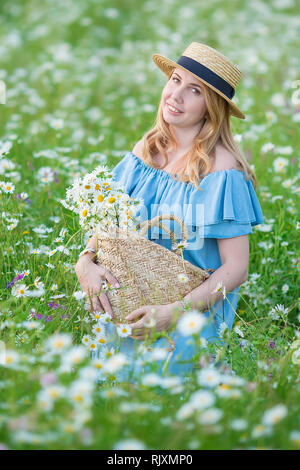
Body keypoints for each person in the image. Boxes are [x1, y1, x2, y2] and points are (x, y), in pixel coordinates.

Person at [75, 42, 264, 381]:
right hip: (129, 303)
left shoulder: (222, 169)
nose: (176, 96)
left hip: (189, 315)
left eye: (195, 91)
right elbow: (108, 224)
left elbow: (237, 268)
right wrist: (85, 262)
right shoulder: (146, 150)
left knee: (167, 400)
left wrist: (172, 314)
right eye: (175, 80)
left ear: (212, 108)